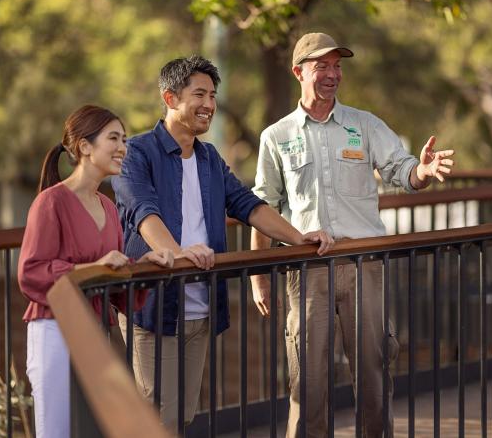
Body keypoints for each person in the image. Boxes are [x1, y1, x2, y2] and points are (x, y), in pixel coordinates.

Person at [111, 55, 334, 430]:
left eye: (213, 95)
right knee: (157, 415)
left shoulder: (209, 157)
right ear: (169, 98)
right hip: (153, 304)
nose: (210, 105)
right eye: (199, 94)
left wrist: (299, 237)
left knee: (182, 414)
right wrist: (178, 253)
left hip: (200, 304)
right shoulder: (136, 152)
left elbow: (248, 205)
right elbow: (142, 211)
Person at [250, 32, 455, 438]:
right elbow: (261, 207)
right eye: (322, 66)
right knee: (306, 383)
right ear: (299, 72)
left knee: (375, 380)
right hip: (306, 271)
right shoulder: (276, 136)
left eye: (337, 66)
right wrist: (258, 277)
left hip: (365, 267)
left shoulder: (364, 124)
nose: (332, 74)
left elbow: (402, 169)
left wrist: (423, 172)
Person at [18, 105, 174, 438]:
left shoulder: (106, 206)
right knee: (57, 432)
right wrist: (92, 268)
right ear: (84, 147)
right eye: (113, 138)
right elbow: (31, 272)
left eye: (125, 139)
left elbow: (112, 277)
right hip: (54, 330)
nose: (123, 148)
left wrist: (145, 263)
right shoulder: (50, 203)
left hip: (94, 332)